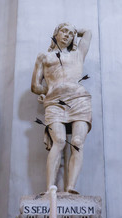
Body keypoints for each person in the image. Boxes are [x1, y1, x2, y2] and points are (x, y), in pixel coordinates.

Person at [31, 23, 92, 194]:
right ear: (56, 33)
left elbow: (87, 31)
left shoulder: (78, 54)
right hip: (55, 102)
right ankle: (51, 187)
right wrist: (46, 91)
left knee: (78, 142)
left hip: (79, 100)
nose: (68, 35)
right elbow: (35, 85)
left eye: (71, 34)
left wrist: (74, 29)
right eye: (64, 31)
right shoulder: (44, 56)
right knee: (58, 141)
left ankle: (71, 187)